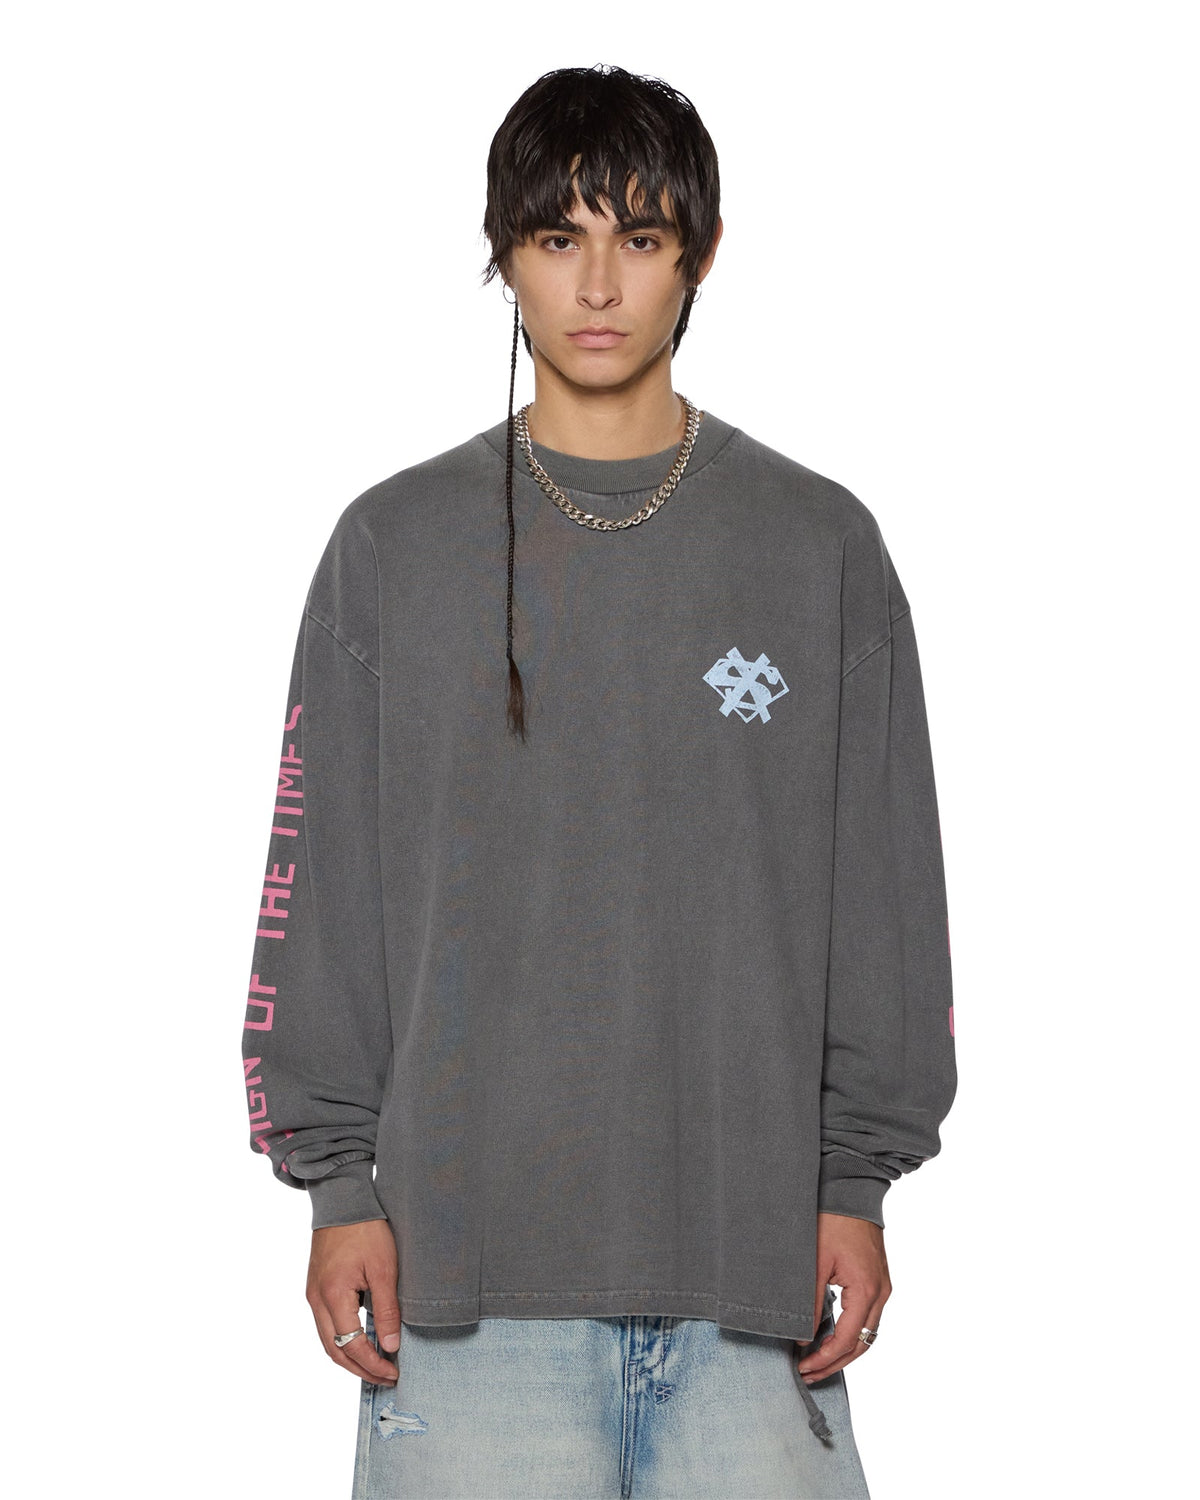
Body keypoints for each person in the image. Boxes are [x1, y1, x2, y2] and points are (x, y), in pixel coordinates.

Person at [240, 62, 957, 1500]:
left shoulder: (818, 544)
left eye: (641, 236)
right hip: (461, 1286)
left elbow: (882, 890)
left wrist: (855, 1180)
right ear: (502, 253)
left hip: (756, 1277)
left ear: (701, 255)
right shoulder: (394, 546)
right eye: (557, 237)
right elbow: (323, 892)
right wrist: (336, 1186)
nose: (599, 285)